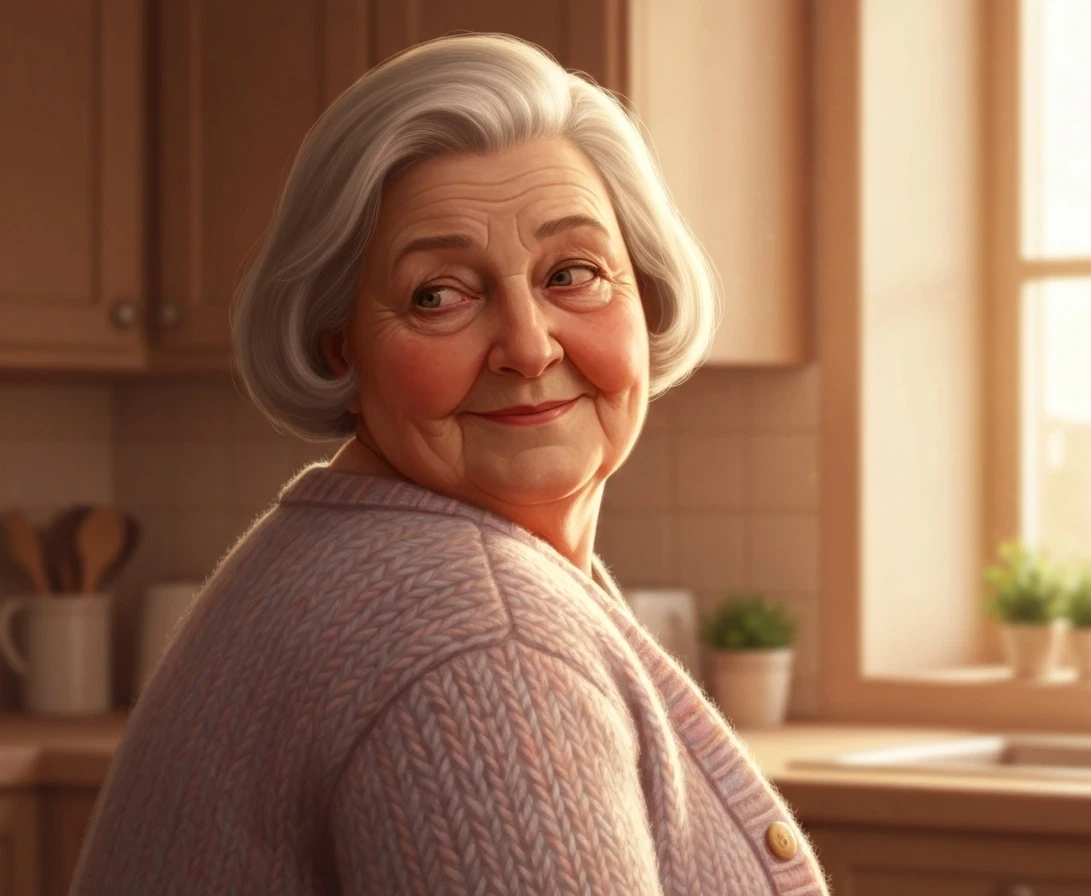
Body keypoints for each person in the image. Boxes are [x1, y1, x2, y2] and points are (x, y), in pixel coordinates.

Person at [69, 33, 831, 895]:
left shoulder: (349, 568)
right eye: (439, 294)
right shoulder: (487, 652)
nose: (528, 345)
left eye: (573, 273)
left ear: (645, 292)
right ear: (338, 350)